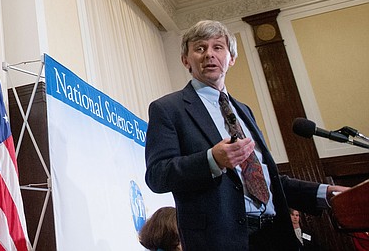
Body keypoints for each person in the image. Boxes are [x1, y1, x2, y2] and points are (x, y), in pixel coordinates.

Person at [144, 20, 348, 251]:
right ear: (185, 60)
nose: (209, 54)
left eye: (218, 47)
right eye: (200, 48)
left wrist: (324, 192)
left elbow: (263, 178)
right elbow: (157, 175)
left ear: (231, 59)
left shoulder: (244, 110)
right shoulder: (168, 109)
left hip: (274, 236)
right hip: (219, 241)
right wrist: (212, 160)